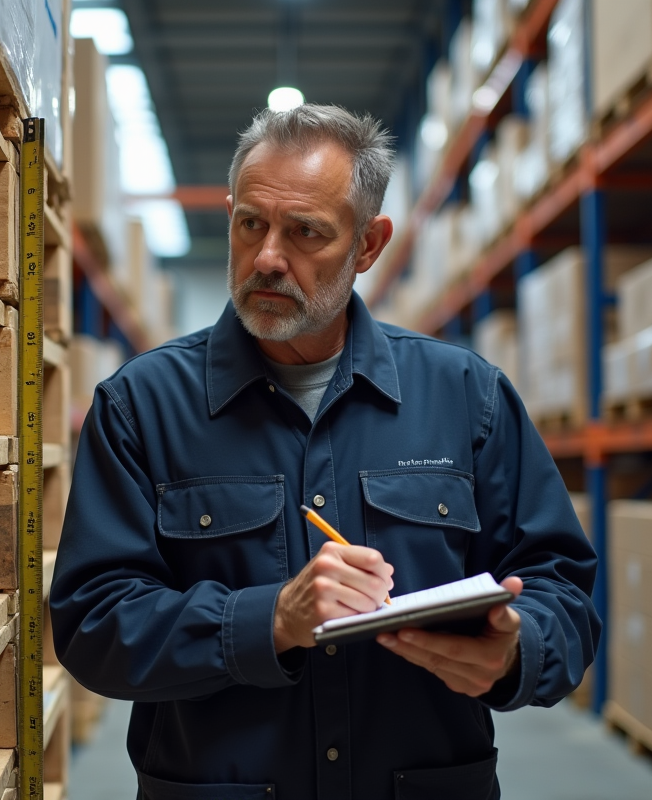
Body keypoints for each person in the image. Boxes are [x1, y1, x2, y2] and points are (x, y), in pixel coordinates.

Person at [50, 104, 600, 800]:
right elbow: (93, 621)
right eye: (251, 224)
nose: (269, 257)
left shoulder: (468, 399)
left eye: (306, 232)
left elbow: (565, 591)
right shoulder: (141, 406)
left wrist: (518, 649)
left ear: (369, 246)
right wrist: (269, 621)